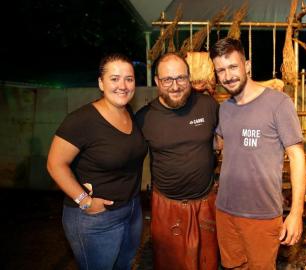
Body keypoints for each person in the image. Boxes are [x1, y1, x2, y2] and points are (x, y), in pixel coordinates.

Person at [209, 38, 306, 270]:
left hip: (262, 215)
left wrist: (296, 212)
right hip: (224, 210)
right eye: (221, 70)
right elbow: (220, 144)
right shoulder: (225, 109)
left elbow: (297, 157)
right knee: (232, 267)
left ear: (248, 66)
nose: (228, 75)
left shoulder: (279, 103)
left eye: (233, 67)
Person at [47, 53, 147, 270]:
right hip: (95, 219)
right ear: (101, 83)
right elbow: (55, 164)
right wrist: (85, 201)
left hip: (131, 211)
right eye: (114, 78)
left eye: (129, 79)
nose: (123, 85)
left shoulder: (127, 112)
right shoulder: (81, 120)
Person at [135, 52, 219, 270]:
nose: (175, 86)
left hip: (205, 205)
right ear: (157, 82)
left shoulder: (209, 106)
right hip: (166, 207)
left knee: (208, 264)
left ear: (189, 77)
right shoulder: (144, 118)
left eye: (181, 78)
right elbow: (124, 159)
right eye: (167, 80)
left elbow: (226, 140)